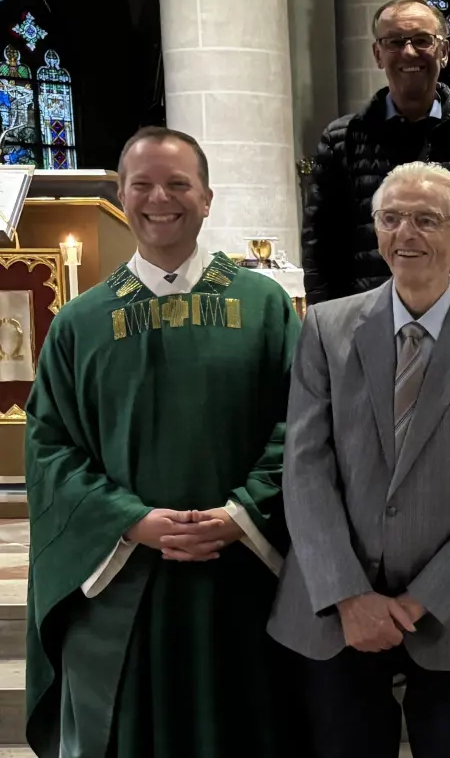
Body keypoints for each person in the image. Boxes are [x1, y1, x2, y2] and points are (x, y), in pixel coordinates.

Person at [25, 127, 302, 758]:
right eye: (143, 184)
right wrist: (131, 521)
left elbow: (302, 427)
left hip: (240, 574)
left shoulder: (263, 306)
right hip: (123, 578)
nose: (160, 198)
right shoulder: (80, 323)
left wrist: (241, 514)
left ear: (207, 198)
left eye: (179, 184)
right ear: (121, 196)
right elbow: (49, 449)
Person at [269, 163, 450, 758]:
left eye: (426, 220)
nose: (406, 234)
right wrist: (349, 596)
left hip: (448, 613)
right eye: (390, 219)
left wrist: (421, 601)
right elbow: (306, 467)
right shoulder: (326, 327)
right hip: (332, 609)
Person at [301, 0, 450, 310]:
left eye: (422, 40)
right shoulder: (341, 140)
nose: (409, 52)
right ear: (377, 54)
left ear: (443, 52)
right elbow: (320, 250)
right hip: (367, 326)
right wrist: (332, 330)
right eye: (395, 42)